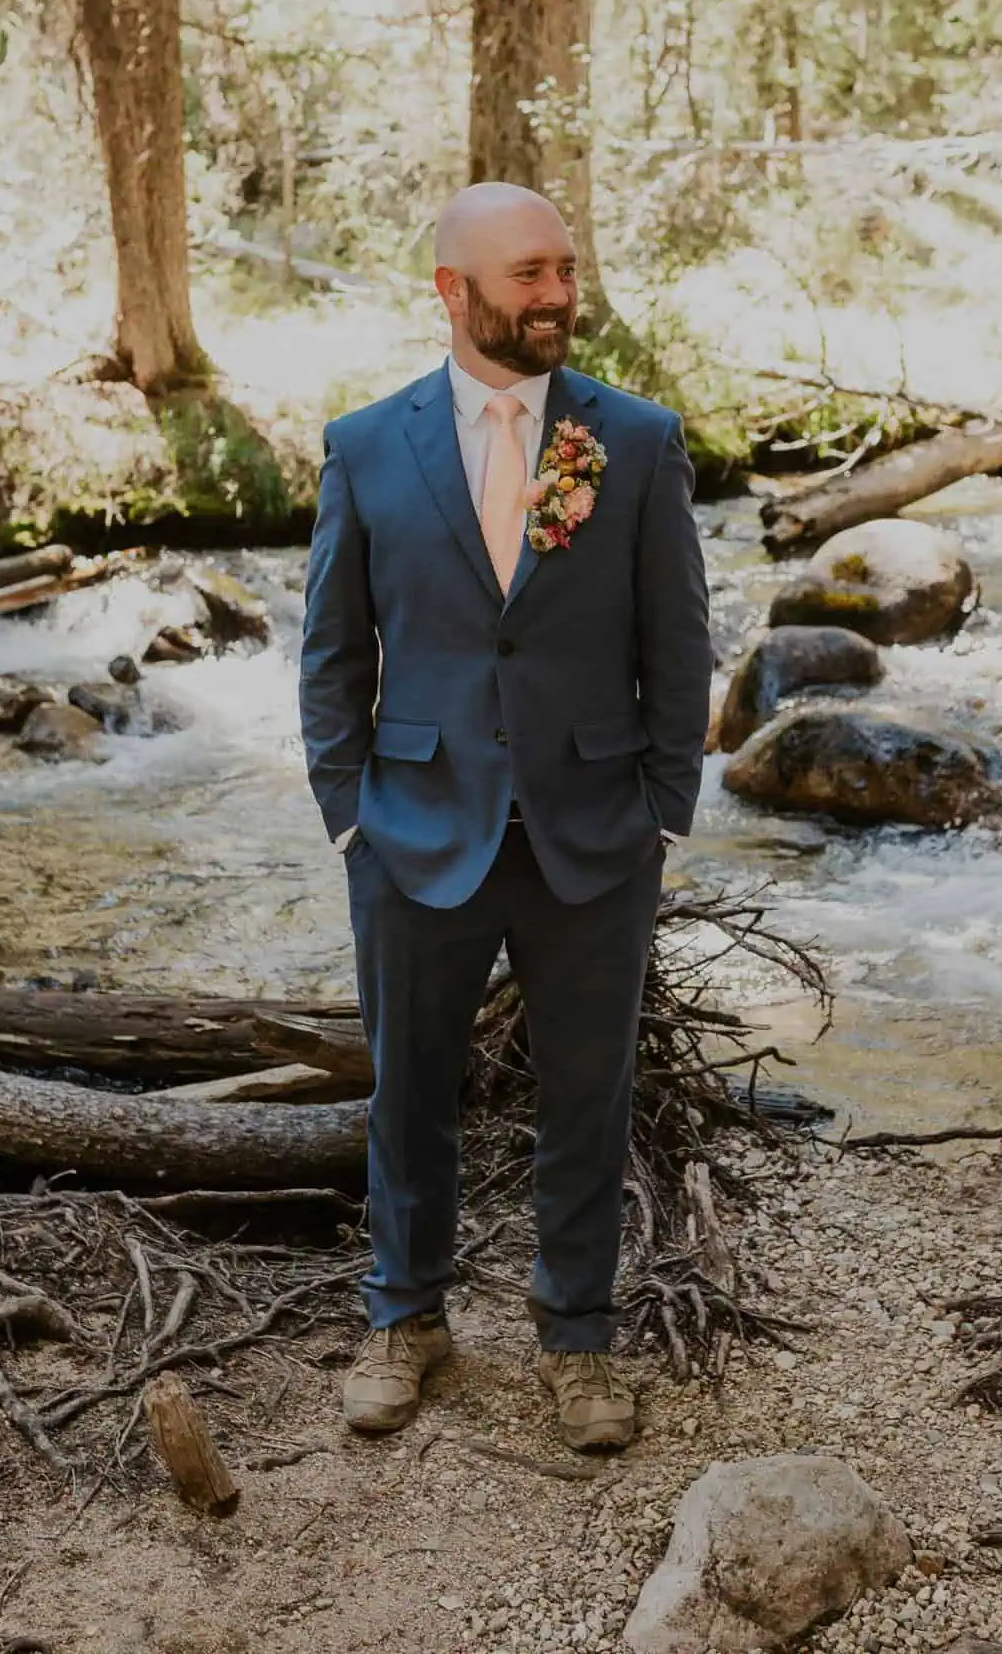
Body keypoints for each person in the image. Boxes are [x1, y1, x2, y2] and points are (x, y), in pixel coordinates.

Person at [298, 181, 712, 1451]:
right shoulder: (367, 444)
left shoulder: (633, 441)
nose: (557, 294)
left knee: (586, 1095)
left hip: (593, 827)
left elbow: (680, 639)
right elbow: (332, 649)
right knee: (408, 1092)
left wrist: (661, 805)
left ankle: (576, 1337)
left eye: (566, 269)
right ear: (453, 291)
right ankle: (405, 1316)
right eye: (529, 273)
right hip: (414, 825)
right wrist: (349, 811)